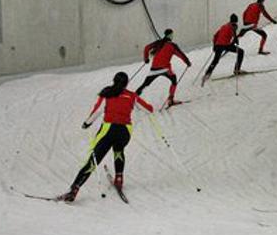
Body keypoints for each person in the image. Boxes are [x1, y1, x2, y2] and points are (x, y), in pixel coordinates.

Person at [59, 72, 154, 202]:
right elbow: (149, 109)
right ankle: (119, 178)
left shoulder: (107, 94)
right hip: (125, 131)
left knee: (94, 159)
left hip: (108, 130)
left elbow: (97, 111)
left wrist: (87, 123)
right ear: (127, 83)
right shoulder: (132, 96)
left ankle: (74, 190)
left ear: (113, 81)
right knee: (119, 150)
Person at [135, 28, 191, 107]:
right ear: (170, 35)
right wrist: (187, 62)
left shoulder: (158, 43)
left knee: (145, 84)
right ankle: (170, 100)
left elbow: (147, 48)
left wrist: (146, 59)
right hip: (165, 69)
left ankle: (133, 98)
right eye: (172, 35)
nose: (173, 36)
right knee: (174, 80)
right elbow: (181, 55)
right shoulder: (172, 45)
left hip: (154, 69)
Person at [202, 14, 245, 86]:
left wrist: (214, 45)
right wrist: (236, 43)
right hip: (225, 45)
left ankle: (207, 73)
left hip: (219, 45)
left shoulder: (223, 26)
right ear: (236, 21)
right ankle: (237, 70)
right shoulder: (233, 27)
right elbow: (234, 38)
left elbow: (215, 35)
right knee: (241, 52)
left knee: (215, 60)